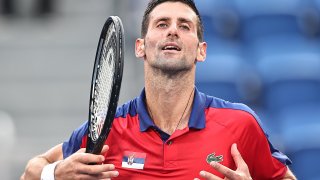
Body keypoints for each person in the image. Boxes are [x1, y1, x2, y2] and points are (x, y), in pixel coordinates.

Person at [21, 0, 297, 179]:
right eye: (162, 24)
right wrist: (54, 174)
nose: (172, 31)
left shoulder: (240, 124)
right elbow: (30, 172)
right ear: (140, 46)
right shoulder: (110, 128)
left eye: (184, 26)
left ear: (201, 51)